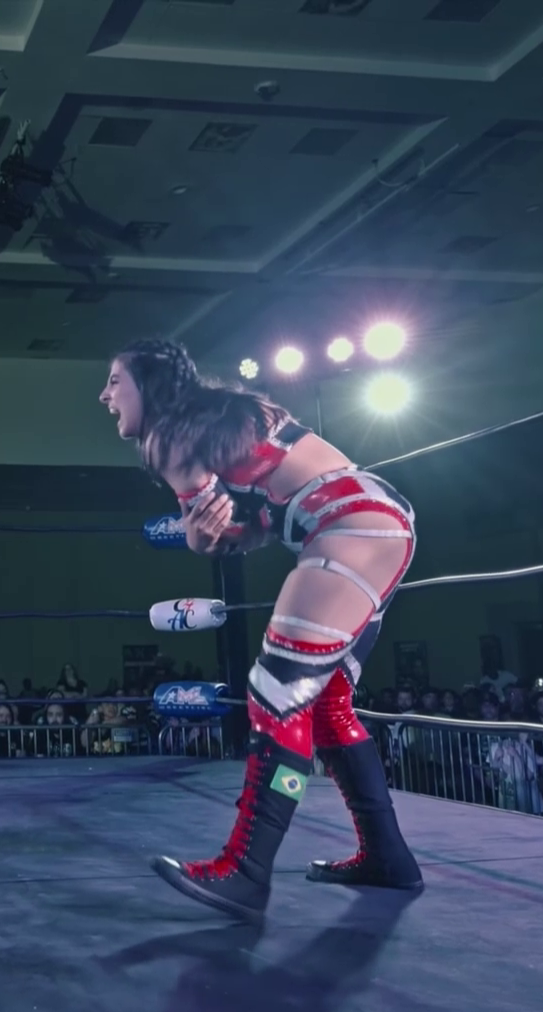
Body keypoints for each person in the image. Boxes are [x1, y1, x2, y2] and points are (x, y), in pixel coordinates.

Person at [98, 338, 422, 924]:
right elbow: (252, 527)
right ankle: (388, 855)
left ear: (149, 384)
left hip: (347, 526)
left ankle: (245, 872)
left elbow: (212, 538)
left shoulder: (169, 438)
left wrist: (199, 537)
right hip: (377, 517)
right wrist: (208, 534)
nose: (105, 395)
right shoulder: (230, 416)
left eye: (115, 381)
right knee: (327, 706)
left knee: (277, 694)